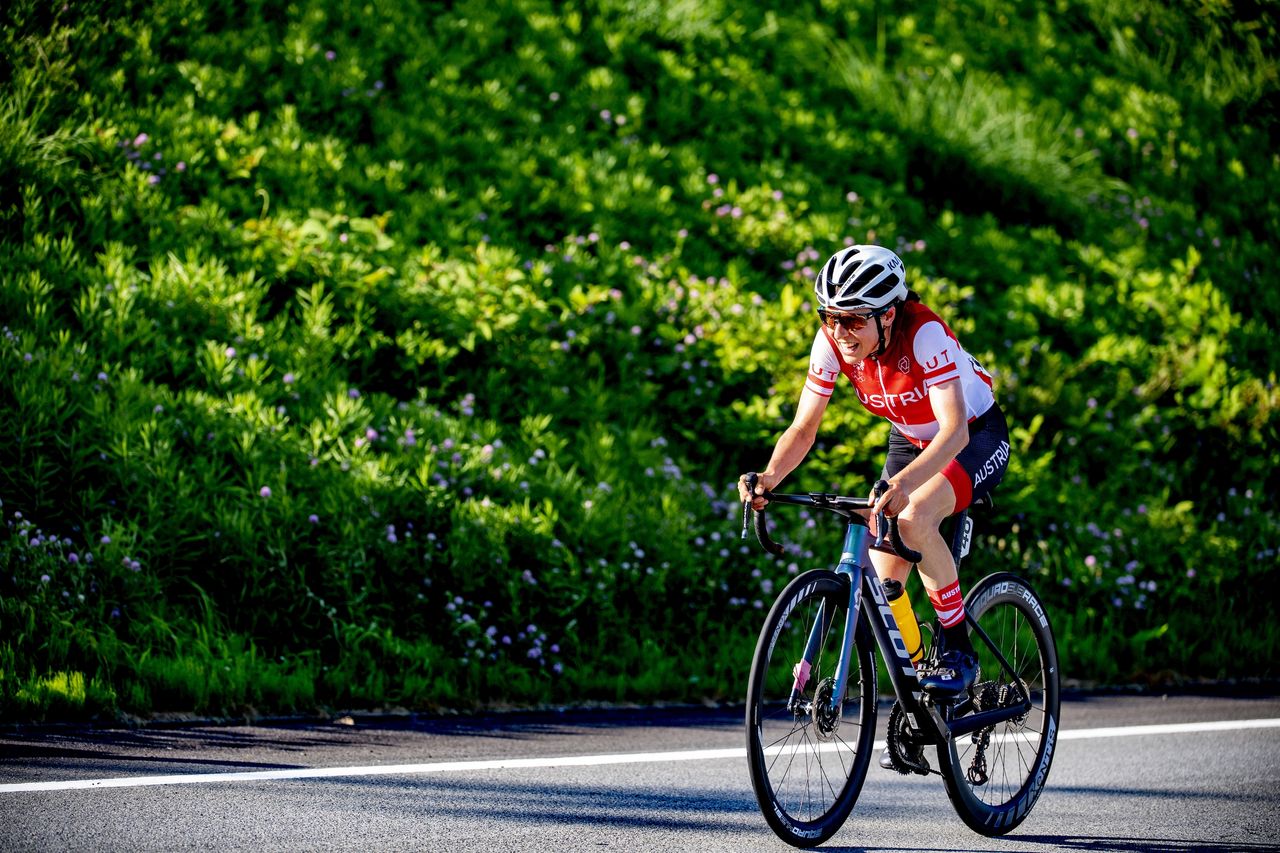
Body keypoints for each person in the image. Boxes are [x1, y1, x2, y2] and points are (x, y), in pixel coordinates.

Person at [737, 244, 1011, 697]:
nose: (841, 331)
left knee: (914, 518)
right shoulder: (831, 343)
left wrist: (903, 485)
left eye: (853, 319)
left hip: (972, 435)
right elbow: (803, 428)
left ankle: (960, 652)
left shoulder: (924, 333)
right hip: (909, 438)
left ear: (887, 315)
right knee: (885, 585)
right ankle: (924, 690)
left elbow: (954, 431)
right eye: (830, 317)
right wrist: (768, 478)